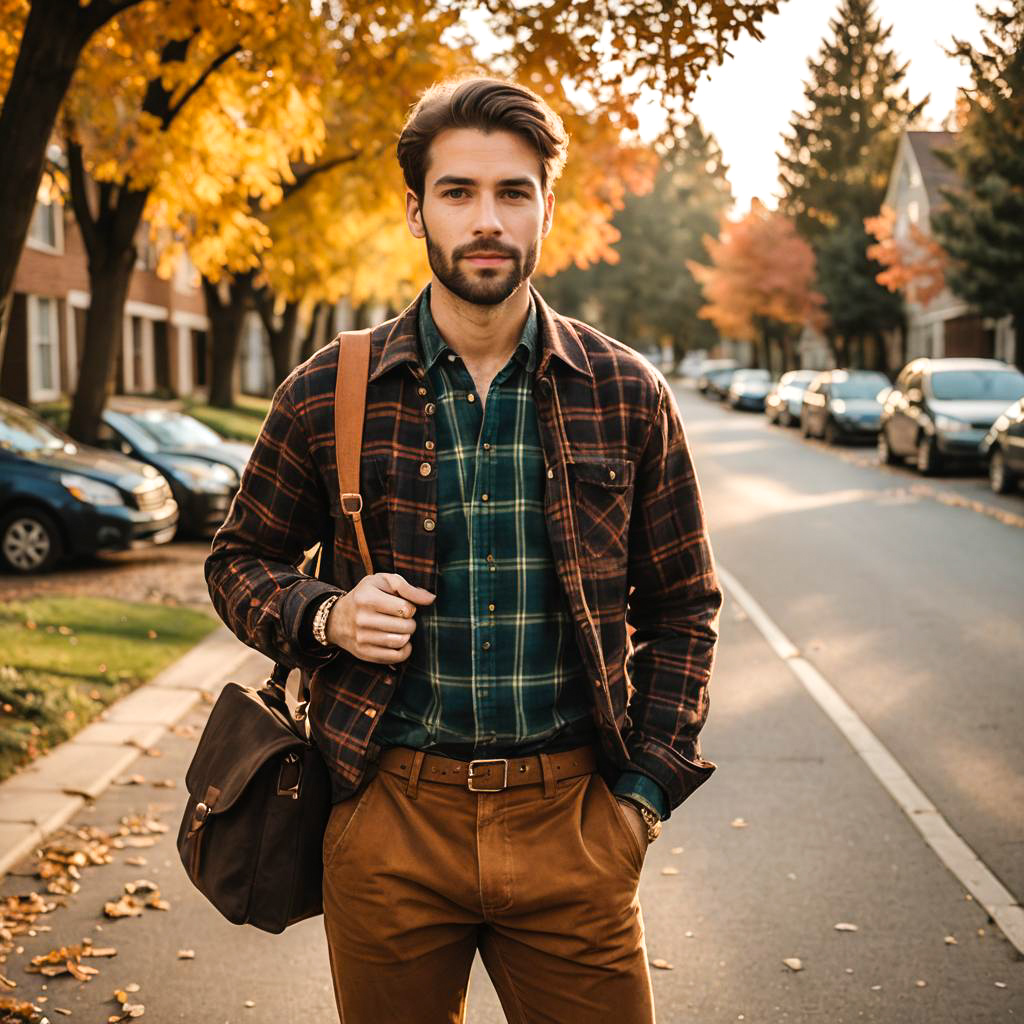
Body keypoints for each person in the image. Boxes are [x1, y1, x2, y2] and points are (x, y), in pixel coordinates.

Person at [205, 74, 722, 1024]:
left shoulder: (625, 391)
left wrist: (643, 796)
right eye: (458, 192)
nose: (487, 219)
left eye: (512, 192)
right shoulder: (328, 391)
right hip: (387, 821)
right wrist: (323, 615)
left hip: (576, 822)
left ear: (547, 209)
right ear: (416, 210)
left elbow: (686, 606)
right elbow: (237, 562)